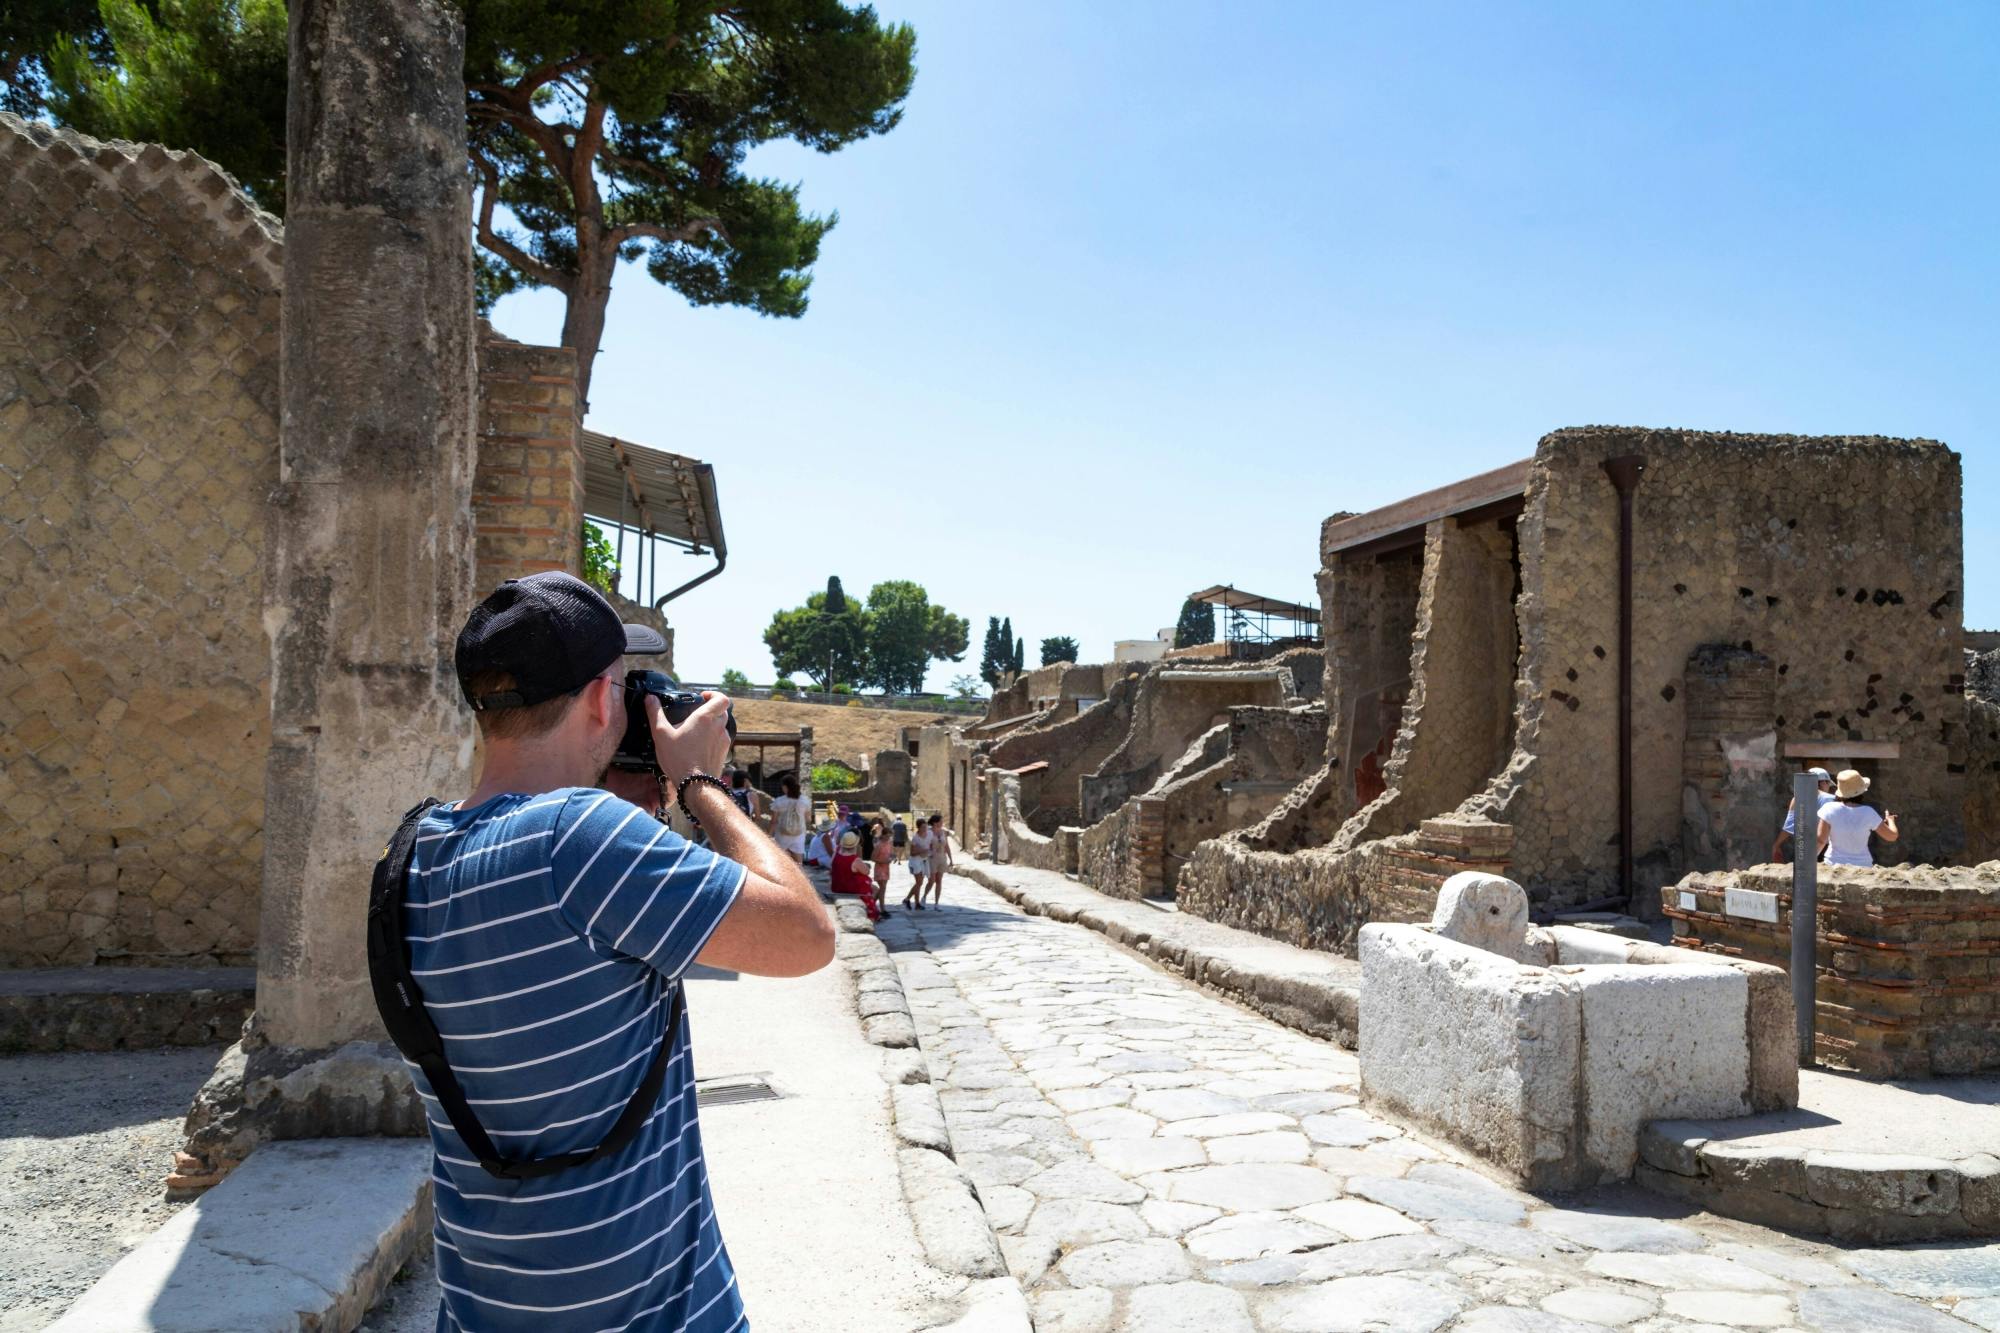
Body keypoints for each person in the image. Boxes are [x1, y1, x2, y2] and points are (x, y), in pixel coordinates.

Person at [406, 571, 833, 1331]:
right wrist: (699, 782)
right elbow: (807, 934)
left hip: (482, 1311)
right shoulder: (582, 837)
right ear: (604, 701)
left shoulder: (411, 856)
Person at [1817, 769, 1899, 867]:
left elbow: (1821, 840)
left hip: (1833, 864)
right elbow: (1892, 836)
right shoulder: (1869, 812)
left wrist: (1807, 863)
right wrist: (1890, 820)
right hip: (1862, 866)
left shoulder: (1829, 809)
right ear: (1861, 792)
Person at [1772, 766, 1837, 863]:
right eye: (1828, 784)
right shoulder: (1833, 799)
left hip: (1804, 849)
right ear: (1824, 782)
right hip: (1829, 849)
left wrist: (1777, 845)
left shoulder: (1798, 798)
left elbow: (1790, 826)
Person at [831, 830, 882, 920]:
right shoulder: (855, 860)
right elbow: (866, 872)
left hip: (837, 885)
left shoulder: (836, 854)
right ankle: (870, 910)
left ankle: (870, 908)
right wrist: (865, 865)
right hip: (851, 888)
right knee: (875, 889)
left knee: (874, 887)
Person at [770, 775, 813, 865]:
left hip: (782, 835)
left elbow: (773, 821)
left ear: (785, 787)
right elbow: (808, 819)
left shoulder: (779, 801)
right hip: (798, 835)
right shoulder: (805, 801)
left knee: (780, 863)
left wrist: (769, 835)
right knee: (799, 864)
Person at [904, 817, 933, 912]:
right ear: (918, 828)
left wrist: (929, 852)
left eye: (926, 826)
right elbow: (912, 853)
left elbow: (931, 844)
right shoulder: (915, 838)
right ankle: (907, 899)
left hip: (924, 860)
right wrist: (922, 851)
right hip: (915, 861)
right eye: (923, 827)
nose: (925, 828)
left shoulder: (930, 833)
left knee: (919, 883)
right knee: (919, 882)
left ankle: (916, 904)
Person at [923, 813, 952, 907]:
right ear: (935, 823)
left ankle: (936, 902)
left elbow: (947, 845)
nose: (942, 822)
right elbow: (925, 845)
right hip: (932, 858)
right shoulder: (928, 832)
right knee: (931, 880)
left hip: (942, 858)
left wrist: (951, 859)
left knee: (939, 880)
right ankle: (924, 896)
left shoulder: (943, 832)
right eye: (940, 821)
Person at [869, 816, 895, 901]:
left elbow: (891, 853)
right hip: (880, 868)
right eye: (887, 836)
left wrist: (892, 857)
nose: (889, 838)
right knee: (882, 888)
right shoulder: (879, 844)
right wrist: (883, 861)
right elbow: (872, 858)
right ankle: (879, 907)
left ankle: (874, 904)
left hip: (886, 868)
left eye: (889, 837)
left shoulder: (889, 843)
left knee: (883, 889)